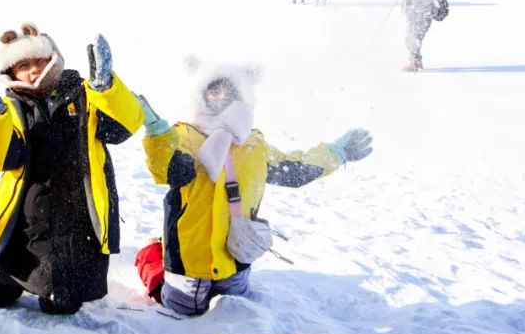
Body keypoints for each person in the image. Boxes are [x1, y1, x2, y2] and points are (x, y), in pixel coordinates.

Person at [134, 61, 373, 315]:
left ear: (242, 98)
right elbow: (167, 169)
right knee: (178, 304)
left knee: (231, 308)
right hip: (189, 267)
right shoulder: (182, 137)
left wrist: (336, 153)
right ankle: (152, 253)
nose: (221, 97)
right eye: (214, 90)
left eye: (230, 91)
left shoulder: (254, 145)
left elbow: (295, 170)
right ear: (201, 96)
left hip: (234, 262)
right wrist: (157, 133)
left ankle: (157, 251)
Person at [0, 24, 145, 315]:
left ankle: (59, 289)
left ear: (54, 60)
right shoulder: (10, 106)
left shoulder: (85, 94)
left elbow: (123, 127)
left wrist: (106, 89)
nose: (34, 70)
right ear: (11, 72)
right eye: (24, 65)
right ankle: (8, 280)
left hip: (77, 215)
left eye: (39, 62)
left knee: (63, 306)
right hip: (25, 216)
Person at [403, 0, 448, 71]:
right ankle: (416, 62)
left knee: (415, 38)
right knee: (409, 39)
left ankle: (414, 63)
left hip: (423, 18)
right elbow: (414, 2)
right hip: (415, 17)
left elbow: (435, 3)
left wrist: (429, 12)